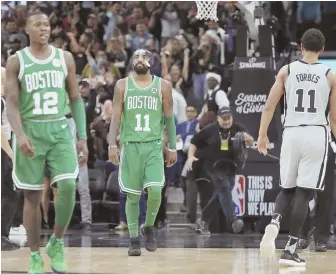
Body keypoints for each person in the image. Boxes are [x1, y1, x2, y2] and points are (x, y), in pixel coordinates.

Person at [4, 11, 88, 274]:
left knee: (67, 186)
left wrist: (83, 136)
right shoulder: (17, 61)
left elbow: (75, 98)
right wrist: (20, 135)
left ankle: (57, 242)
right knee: (31, 195)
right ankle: (34, 256)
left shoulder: (65, 58)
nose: (44, 28)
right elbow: (12, 105)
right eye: (38, 24)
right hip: (30, 130)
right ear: (26, 30)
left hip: (60, 128)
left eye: (47, 24)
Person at [257, 28, 336, 267]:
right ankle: (290, 249)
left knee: (287, 188)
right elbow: (333, 117)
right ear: (322, 50)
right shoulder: (330, 75)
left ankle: (274, 221)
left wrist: (262, 135)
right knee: (304, 192)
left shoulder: (286, 70)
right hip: (316, 133)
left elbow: (269, 106)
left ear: (301, 47)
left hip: (291, 132)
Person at [108, 49, 177, 256]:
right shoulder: (122, 85)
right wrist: (112, 143)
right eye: (136, 57)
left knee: (155, 190)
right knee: (132, 195)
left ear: (151, 62)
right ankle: (133, 239)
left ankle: (148, 226)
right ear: (131, 62)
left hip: (154, 145)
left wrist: (172, 147)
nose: (139, 59)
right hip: (130, 146)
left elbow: (170, 120)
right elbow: (115, 118)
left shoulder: (163, 86)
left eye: (144, 57)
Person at [187, 106, 253, 235]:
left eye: (229, 118)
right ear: (218, 119)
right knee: (223, 188)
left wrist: (247, 138)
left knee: (222, 195)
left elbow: (250, 141)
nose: (227, 121)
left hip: (231, 166)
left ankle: (203, 220)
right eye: (224, 119)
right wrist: (190, 157)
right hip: (213, 165)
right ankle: (233, 221)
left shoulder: (238, 128)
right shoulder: (210, 130)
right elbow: (194, 142)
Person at [1, 67, 20, 251]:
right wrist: (11, 154)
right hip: (2, 150)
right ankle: (1, 236)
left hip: (4, 148)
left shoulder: (4, 101)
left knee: (9, 193)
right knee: (10, 193)